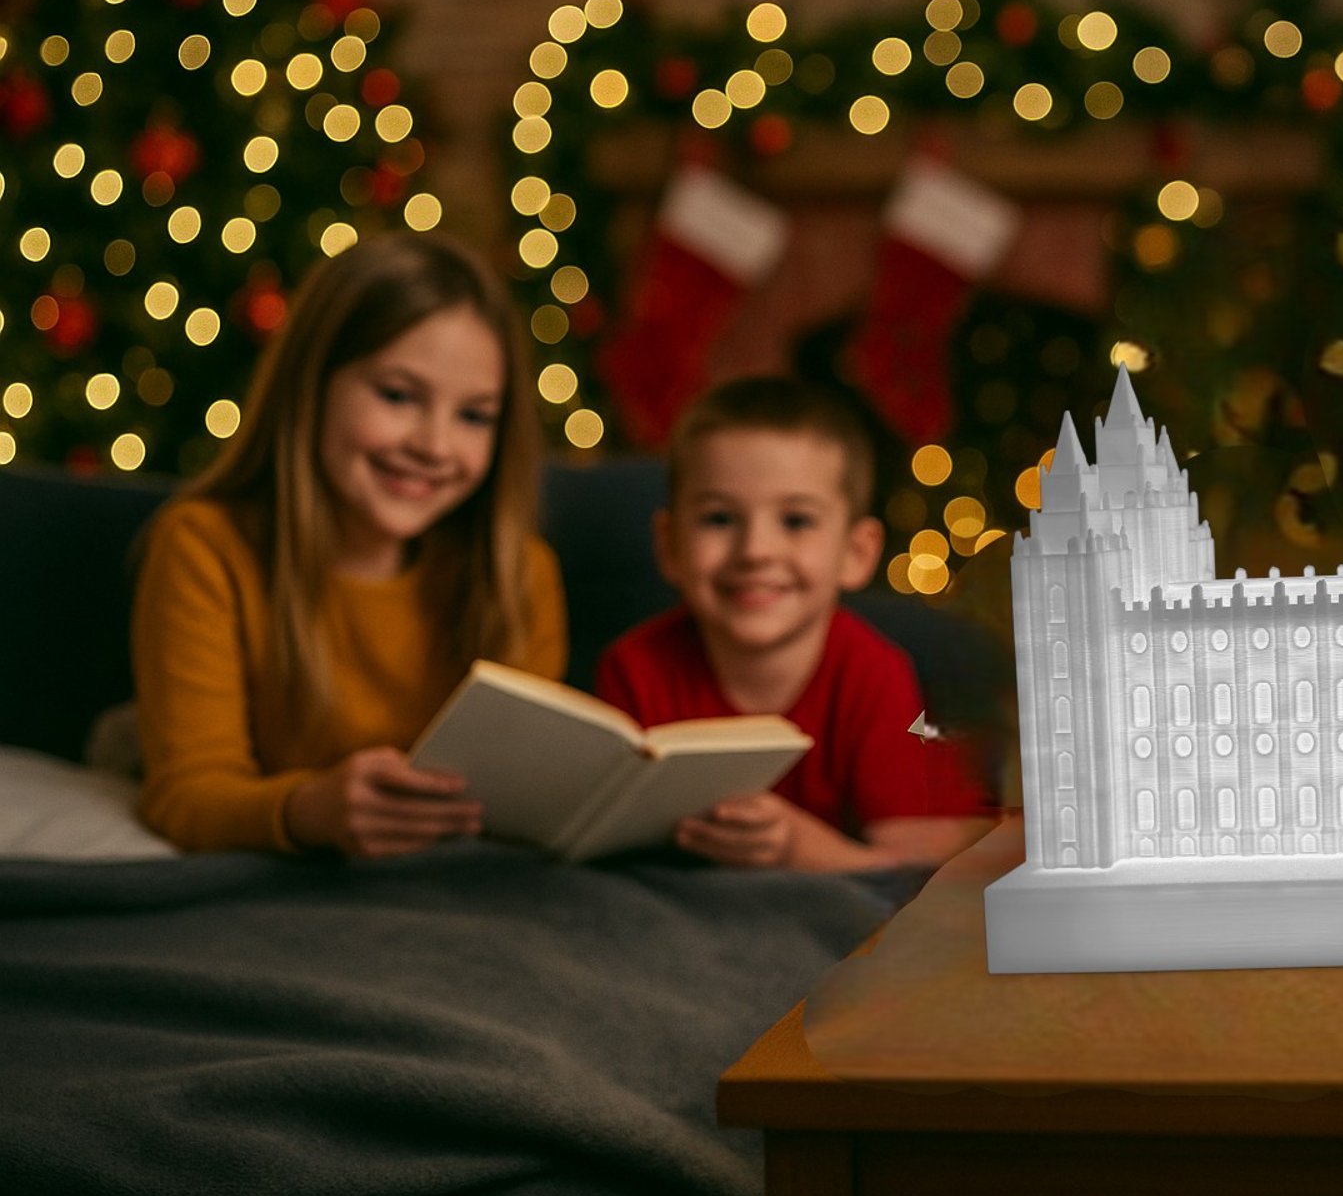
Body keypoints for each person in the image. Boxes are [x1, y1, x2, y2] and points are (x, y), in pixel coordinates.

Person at [132, 232, 568, 858]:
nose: (435, 446)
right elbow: (185, 794)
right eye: (398, 396)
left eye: (474, 416)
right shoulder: (204, 547)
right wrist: (310, 809)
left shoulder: (519, 571)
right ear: (310, 388)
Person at [595, 377, 994, 872]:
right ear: (670, 545)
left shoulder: (875, 676)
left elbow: (901, 868)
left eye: (796, 521)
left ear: (857, 553)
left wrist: (800, 851)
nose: (757, 550)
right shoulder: (633, 668)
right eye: (719, 519)